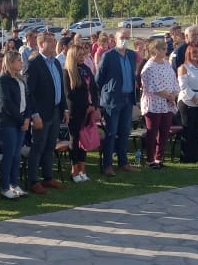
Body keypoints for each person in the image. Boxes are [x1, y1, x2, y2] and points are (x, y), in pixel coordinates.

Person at [24, 31, 68, 194]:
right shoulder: (33, 63)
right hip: (41, 114)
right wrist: (34, 115)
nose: (54, 43)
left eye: (54, 40)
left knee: (50, 146)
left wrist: (65, 108)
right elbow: (29, 93)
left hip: (55, 111)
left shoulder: (55, 63)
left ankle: (48, 177)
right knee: (38, 147)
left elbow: (60, 88)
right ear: (41, 44)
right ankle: (34, 180)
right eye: (50, 41)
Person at [95, 28, 140, 176]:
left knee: (124, 132)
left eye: (127, 37)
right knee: (111, 133)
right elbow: (99, 79)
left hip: (128, 98)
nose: (125, 39)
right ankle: (108, 165)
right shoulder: (108, 56)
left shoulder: (132, 55)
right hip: (112, 101)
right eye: (122, 37)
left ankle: (123, 162)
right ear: (115, 38)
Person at [0, 49, 32, 199]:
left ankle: (14, 184)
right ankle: (5, 187)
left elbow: (27, 99)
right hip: (9, 122)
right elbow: (6, 104)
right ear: (10, 62)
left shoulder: (20, 79)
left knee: (17, 155)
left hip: (22, 120)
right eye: (18, 60)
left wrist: (28, 117)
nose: (21, 63)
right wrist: (21, 120)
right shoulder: (2, 79)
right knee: (9, 155)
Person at [139, 38, 178, 170]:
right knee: (152, 132)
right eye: (163, 49)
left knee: (164, 132)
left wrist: (173, 94)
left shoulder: (166, 64)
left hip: (168, 103)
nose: (165, 51)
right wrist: (168, 96)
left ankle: (159, 158)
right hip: (154, 104)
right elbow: (153, 86)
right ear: (155, 50)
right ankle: (150, 159)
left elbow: (174, 80)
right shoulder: (149, 67)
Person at [64, 43, 100, 182]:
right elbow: (69, 94)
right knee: (75, 140)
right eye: (79, 55)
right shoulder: (67, 72)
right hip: (76, 111)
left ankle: (82, 169)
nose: (82, 58)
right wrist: (85, 105)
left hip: (88, 110)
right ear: (72, 56)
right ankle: (74, 170)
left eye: (83, 55)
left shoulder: (86, 69)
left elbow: (94, 88)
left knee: (84, 139)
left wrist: (93, 105)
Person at [176, 42, 198, 163]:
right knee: (188, 130)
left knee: (196, 130)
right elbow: (184, 87)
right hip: (188, 102)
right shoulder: (184, 68)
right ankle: (185, 158)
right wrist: (196, 99)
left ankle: (195, 157)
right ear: (188, 53)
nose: (196, 54)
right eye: (193, 52)